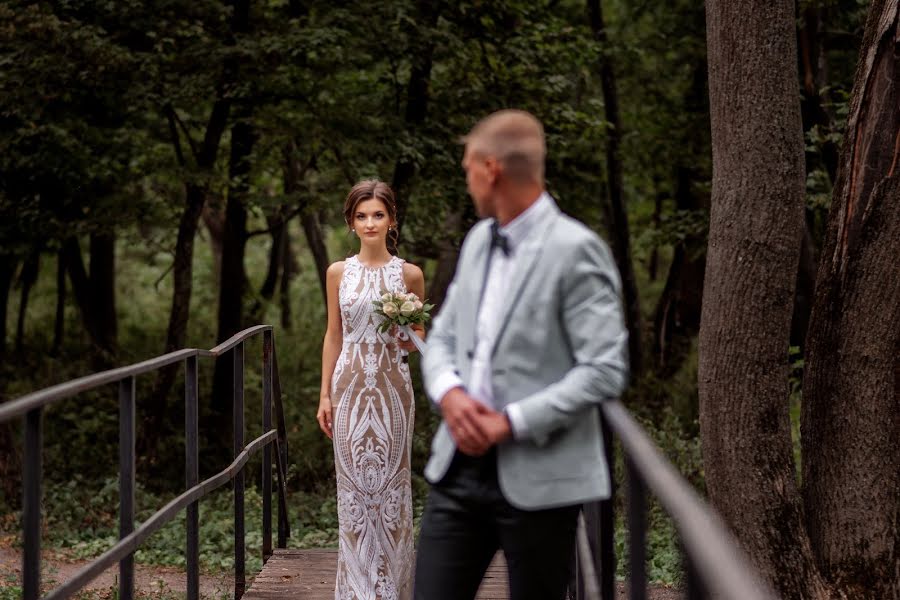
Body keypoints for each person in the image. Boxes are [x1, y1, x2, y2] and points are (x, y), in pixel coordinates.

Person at [414, 110, 629, 600]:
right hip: (458, 467)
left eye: (468, 168)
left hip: (542, 473)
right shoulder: (476, 241)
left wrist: (508, 422)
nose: (467, 181)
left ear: (490, 169)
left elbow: (604, 369)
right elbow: (442, 335)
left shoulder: (577, 249)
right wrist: (449, 393)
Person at [318, 179, 425, 600]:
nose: (370, 223)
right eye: (361, 216)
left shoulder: (410, 274)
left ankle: (394, 588)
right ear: (351, 222)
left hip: (392, 388)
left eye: (378, 215)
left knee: (391, 490)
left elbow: (417, 337)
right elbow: (332, 335)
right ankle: (358, 591)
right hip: (348, 387)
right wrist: (324, 394)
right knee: (355, 492)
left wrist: (405, 334)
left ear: (392, 219)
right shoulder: (338, 272)